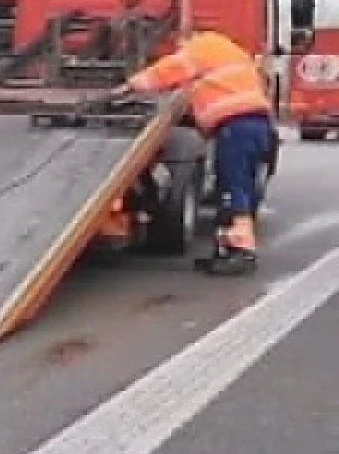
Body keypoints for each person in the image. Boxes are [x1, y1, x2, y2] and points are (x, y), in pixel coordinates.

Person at [108, 24, 275, 275]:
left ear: (190, 36)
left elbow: (169, 70)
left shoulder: (203, 47)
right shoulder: (233, 53)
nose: (180, 48)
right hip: (254, 125)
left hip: (236, 126)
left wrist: (132, 85)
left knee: (233, 186)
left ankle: (240, 252)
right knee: (238, 186)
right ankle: (227, 250)